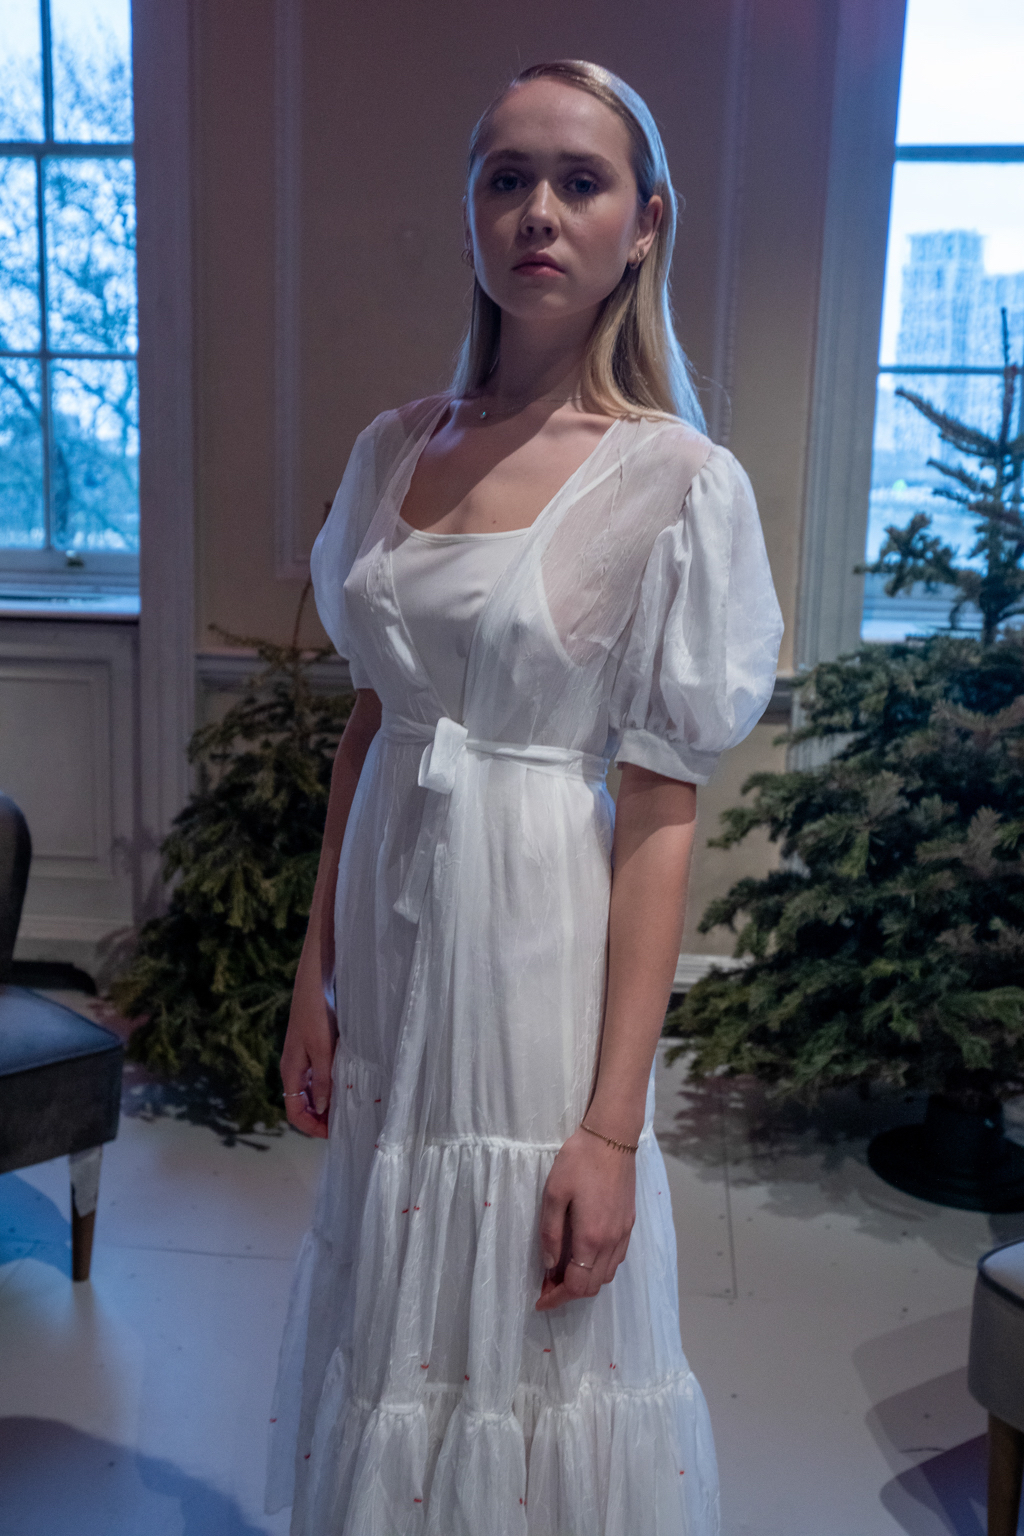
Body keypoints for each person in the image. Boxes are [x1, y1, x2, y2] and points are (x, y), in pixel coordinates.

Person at [266, 58, 783, 1536]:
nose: (539, 211)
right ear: (472, 215)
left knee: (528, 1326)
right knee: (394, 1307)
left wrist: (612, 1131)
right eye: (508, 178)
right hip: (393, 949)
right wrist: (315, 971)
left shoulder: (675, 483)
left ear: (644, 225)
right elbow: (373, 719)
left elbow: (661, 811)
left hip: (534, 965)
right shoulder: (392, 450)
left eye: (580, 180)